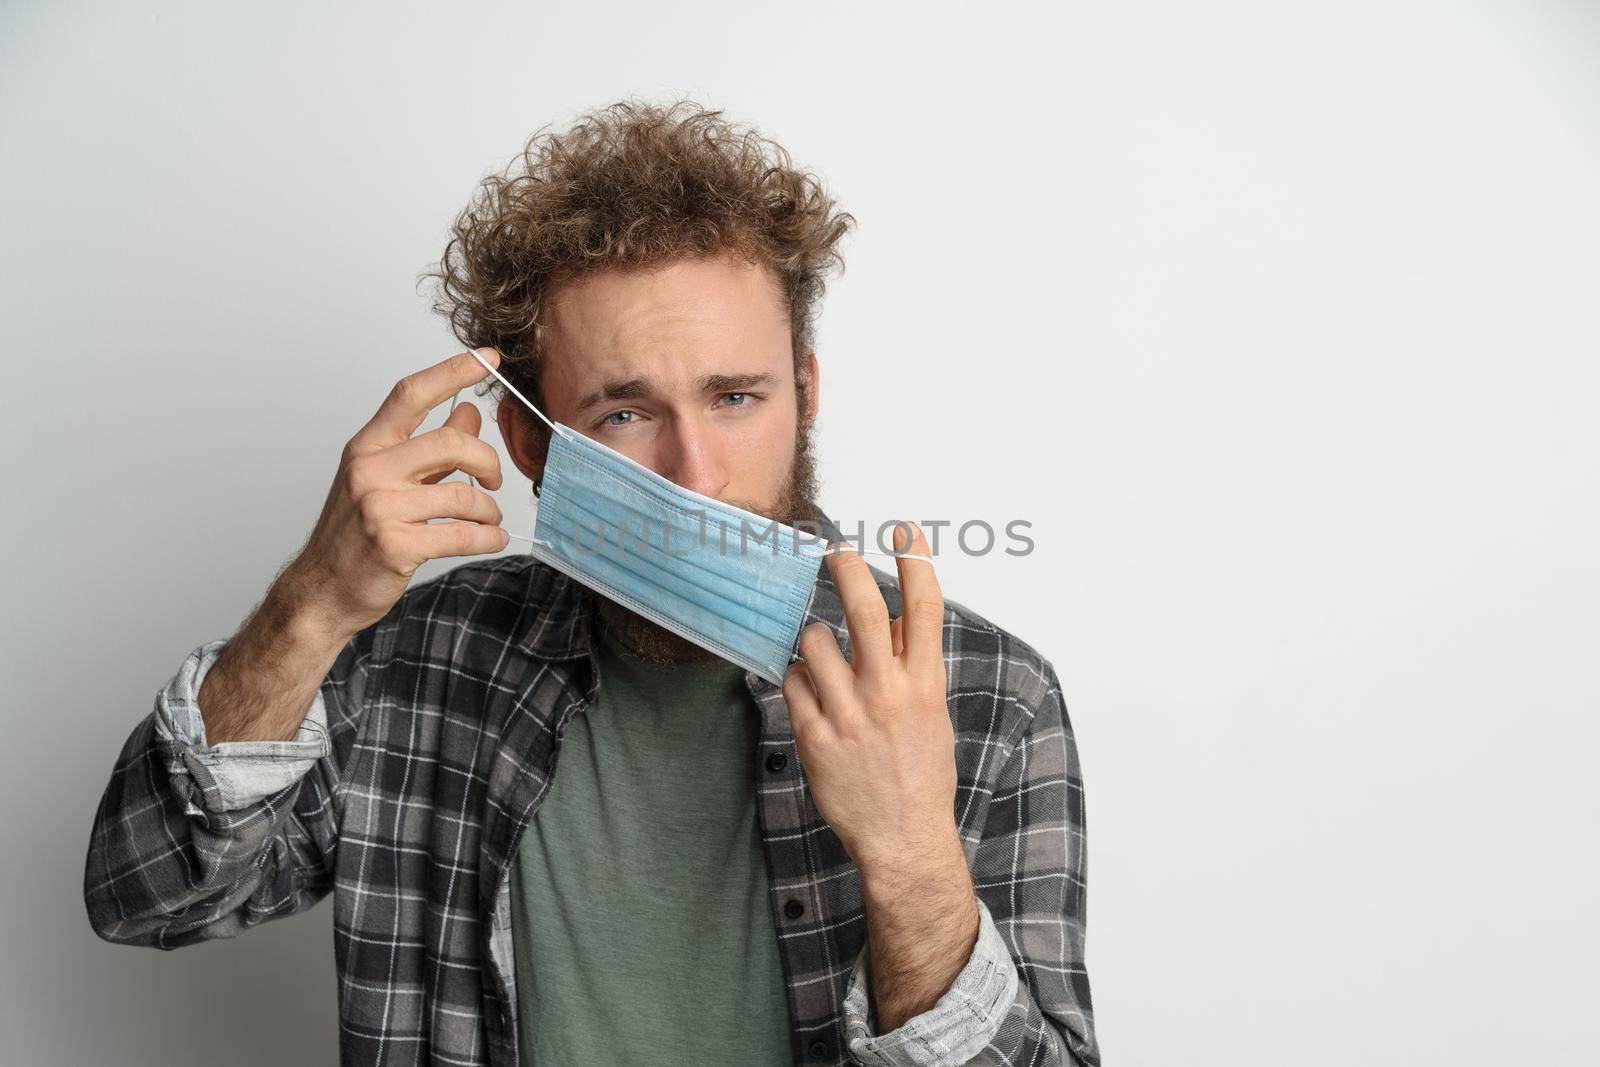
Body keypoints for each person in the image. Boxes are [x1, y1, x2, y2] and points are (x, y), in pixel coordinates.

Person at [83, 98, 1100, 1067]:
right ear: (531, 438)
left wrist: (910, 852)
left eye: (735, 397)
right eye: (624, 413)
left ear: (805, 391)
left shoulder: (984, 696)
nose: (696, 473)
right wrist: (310, 606)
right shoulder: (411, 663)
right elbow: (146, 893)